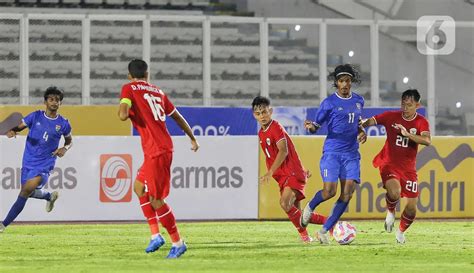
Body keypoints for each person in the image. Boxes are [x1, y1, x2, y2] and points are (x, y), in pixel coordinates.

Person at [118, 59, 199, 258]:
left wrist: (125, 108)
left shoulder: (128, 88)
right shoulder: (158, 92)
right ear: (147, 75)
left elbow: (122, 115)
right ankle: (155, 236)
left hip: (157, 151)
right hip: (159, 147)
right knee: (138, 188)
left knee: (156, 200)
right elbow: (177, 116)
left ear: (129, 75)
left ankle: (178, 242)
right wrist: (192, 137)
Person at [301, 64, 367, 244]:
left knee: (348, 193)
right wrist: (311, 127)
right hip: (332, 152)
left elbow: (358, 124)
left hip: (351, 154)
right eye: (341, 81)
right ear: (336, 83)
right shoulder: (329, 103)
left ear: (351, 82)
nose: (344, 84)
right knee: (329, 191)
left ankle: (324, 230)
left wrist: (362, 132)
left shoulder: (359, 101)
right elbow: (316, 125)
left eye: (347, 80)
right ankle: (310, 206)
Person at [252, 96, 327, 243]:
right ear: (254, 115)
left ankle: (320, 229)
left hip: (291, 174)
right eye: (258, 113)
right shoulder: (261, 133)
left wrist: (270, 172)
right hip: (285, 175)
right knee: (298, 213)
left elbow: (284, 151)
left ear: (271, 111)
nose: (262, 116)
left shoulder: (276, 127)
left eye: (264, 112)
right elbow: (288, 153)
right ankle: (321, 228)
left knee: (285, 204)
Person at [361, 89, 430, 244]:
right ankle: (391, 211)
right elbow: (370, 121)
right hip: (389, 164)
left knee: (412, 208)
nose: (405, 108)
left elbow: (427, 140)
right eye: (403, 104)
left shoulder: (421, 122)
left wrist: (408, 134)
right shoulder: (391, 116)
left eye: (409, 105)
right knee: (395, 192)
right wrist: (361, 125)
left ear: (417, 105)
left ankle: (400, 232)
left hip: (409, 170)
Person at [0, 86, 72, 232]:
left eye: (57, 100)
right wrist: (12, 131)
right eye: (51, 99)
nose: (54, 102)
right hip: (28, 162)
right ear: (45, 101)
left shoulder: (63, 123)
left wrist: (64, 148)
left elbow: (69, 141)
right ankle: (49, 196)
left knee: (25, 192)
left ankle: (3, 224)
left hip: (45, 165)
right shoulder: (35, 116)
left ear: (60, 103)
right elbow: (19, 127)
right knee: (29, 192)